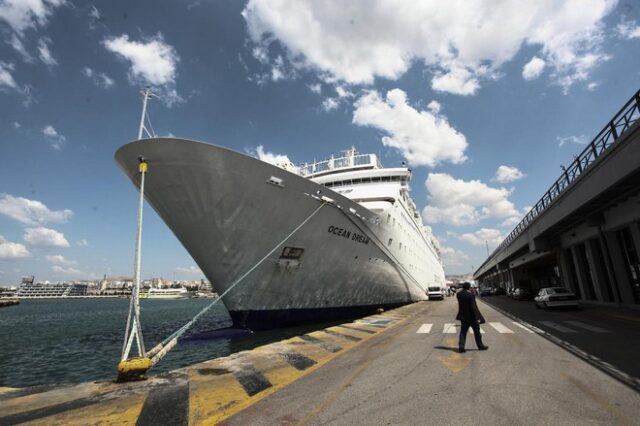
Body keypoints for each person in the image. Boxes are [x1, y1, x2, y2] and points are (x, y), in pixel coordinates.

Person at [456, 282, 488, 353]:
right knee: (477, 332)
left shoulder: (459, 294)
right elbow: (474, 307)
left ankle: (461, 347)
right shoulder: (471, 295)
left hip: (463, 316)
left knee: (463, 332)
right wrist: (478, 317)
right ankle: (480, 346)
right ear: (469, 287)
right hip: (472, 317)